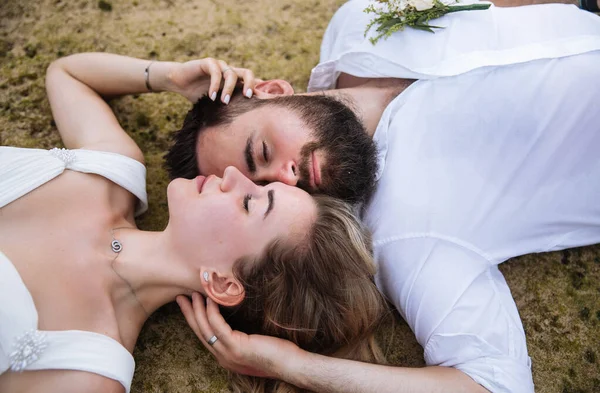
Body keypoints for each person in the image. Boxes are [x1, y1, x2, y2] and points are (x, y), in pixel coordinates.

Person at [169, 1, 600, 393]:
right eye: (268, 193)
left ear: (273, 92)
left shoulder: (355, 26)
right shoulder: (408, 233)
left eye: (262, 151)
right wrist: (295, 365)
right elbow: (495, 383)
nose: (287, 176)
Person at [0, 53, 388, 393]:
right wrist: (170, 77)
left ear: (222, 281)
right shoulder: (110, 172)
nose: (235, 177)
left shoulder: (86, 369)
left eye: (253, 201)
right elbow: (66, 73)